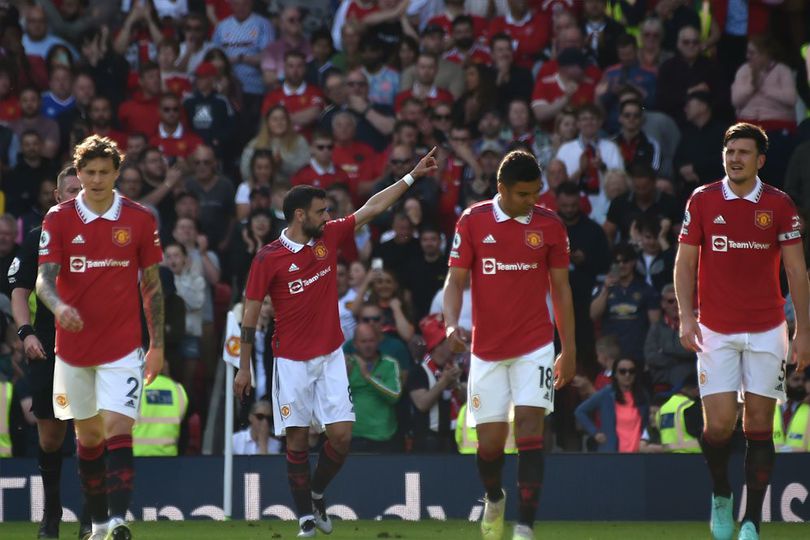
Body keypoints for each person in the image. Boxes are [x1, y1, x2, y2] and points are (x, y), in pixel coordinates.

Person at [234, 149, 438, 537]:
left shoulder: (329, 236)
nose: (328, 216)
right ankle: (305, 519)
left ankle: (316, 492)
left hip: (330, 357)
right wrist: (244, 366)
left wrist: (411, 176)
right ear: (299, 216)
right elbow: (249, 315)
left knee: (341, 437)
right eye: (321, 211)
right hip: (291, 362)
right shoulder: (268, 259)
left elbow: (372, 207)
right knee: (296, 440)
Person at [675, 123, 810, 540]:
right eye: (730, 151)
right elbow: (684, 264)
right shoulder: (702, 200)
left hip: (768, 330)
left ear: (760, 160)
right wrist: (685, 315)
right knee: (717, 427)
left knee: (758, 425)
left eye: (744, 152)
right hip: (715, 331)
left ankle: (750, 520)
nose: (735, 158)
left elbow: (796, 270)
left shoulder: (779, 205)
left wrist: (803, 331)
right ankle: (721, 495)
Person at [36, 135, 165, 540]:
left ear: (116, 173)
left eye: (103, 172)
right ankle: (97, 524)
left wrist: (157, 344)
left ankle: (120, 520)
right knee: (88, 439)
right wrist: (59, 307)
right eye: (88, 172)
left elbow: (152, 286)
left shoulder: (140, 218)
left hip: (123, 347)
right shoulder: (58, 218)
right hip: (73, 350)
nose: (95, 180)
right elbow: (43, 280)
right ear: (77, 174)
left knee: (118, 429)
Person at [443, 150, 575, 540]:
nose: (531, 201)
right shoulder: (473, 220)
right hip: (487, 352)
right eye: (522, 194)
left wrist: (568, 349)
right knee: (489, 447)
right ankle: (494, 497)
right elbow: (454, 281)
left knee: (532, 429)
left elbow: (562, 292)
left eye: (535, 192)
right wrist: (451, 325)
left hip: (535, 346)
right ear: (500, 188)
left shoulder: (551, 225)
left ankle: (525, 527)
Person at [9, 165, 89, 539]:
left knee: (91, 434)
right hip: (50, 345)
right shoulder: (39, 237)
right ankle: (52, 514)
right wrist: (25, 333)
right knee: (51, 437)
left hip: (95, 346)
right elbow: (20, 290)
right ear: (57, 196)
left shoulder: (104, 237)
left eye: (82, 189)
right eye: (70, 190)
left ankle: (92, 518)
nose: (77, 196)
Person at [346, 323, 402, 452]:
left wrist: (368, 376)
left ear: (378, 342)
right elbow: (332, 400)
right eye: (363, 341)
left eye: (371, 340)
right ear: (355, 344)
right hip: (353, 436)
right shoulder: (347, 365)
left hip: (382, 437)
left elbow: (394, 396)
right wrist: (344, 377)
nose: (368, 345)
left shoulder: (389, 364)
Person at [574, 357, 650, 452]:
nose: (627, 375)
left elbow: (647, 422)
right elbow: (580, 411)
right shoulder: (606, 393)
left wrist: (645, 440)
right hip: (612, 453)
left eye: (631, 371)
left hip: (637, 453)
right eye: (623, 371)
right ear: (615, 374)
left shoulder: (642, 395)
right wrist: (595, 433)